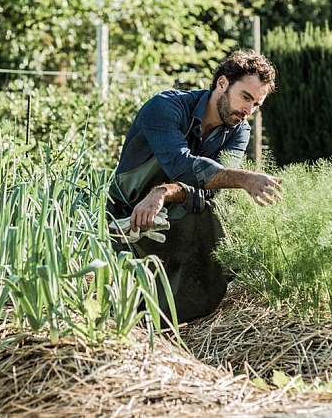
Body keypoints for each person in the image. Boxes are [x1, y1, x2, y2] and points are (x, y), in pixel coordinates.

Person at [107, 49, 282, 323]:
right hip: (125, 212)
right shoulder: (165, 107)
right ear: (222, 83)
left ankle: (175, 322)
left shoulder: (239, 130)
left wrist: (164, 193)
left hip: (177, 209)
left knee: (214, 214)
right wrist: (245, 178)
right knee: (121, 304)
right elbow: (181, 164)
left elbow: (209, 189)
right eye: (246, 97)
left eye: (257, 104)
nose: (248, 110)